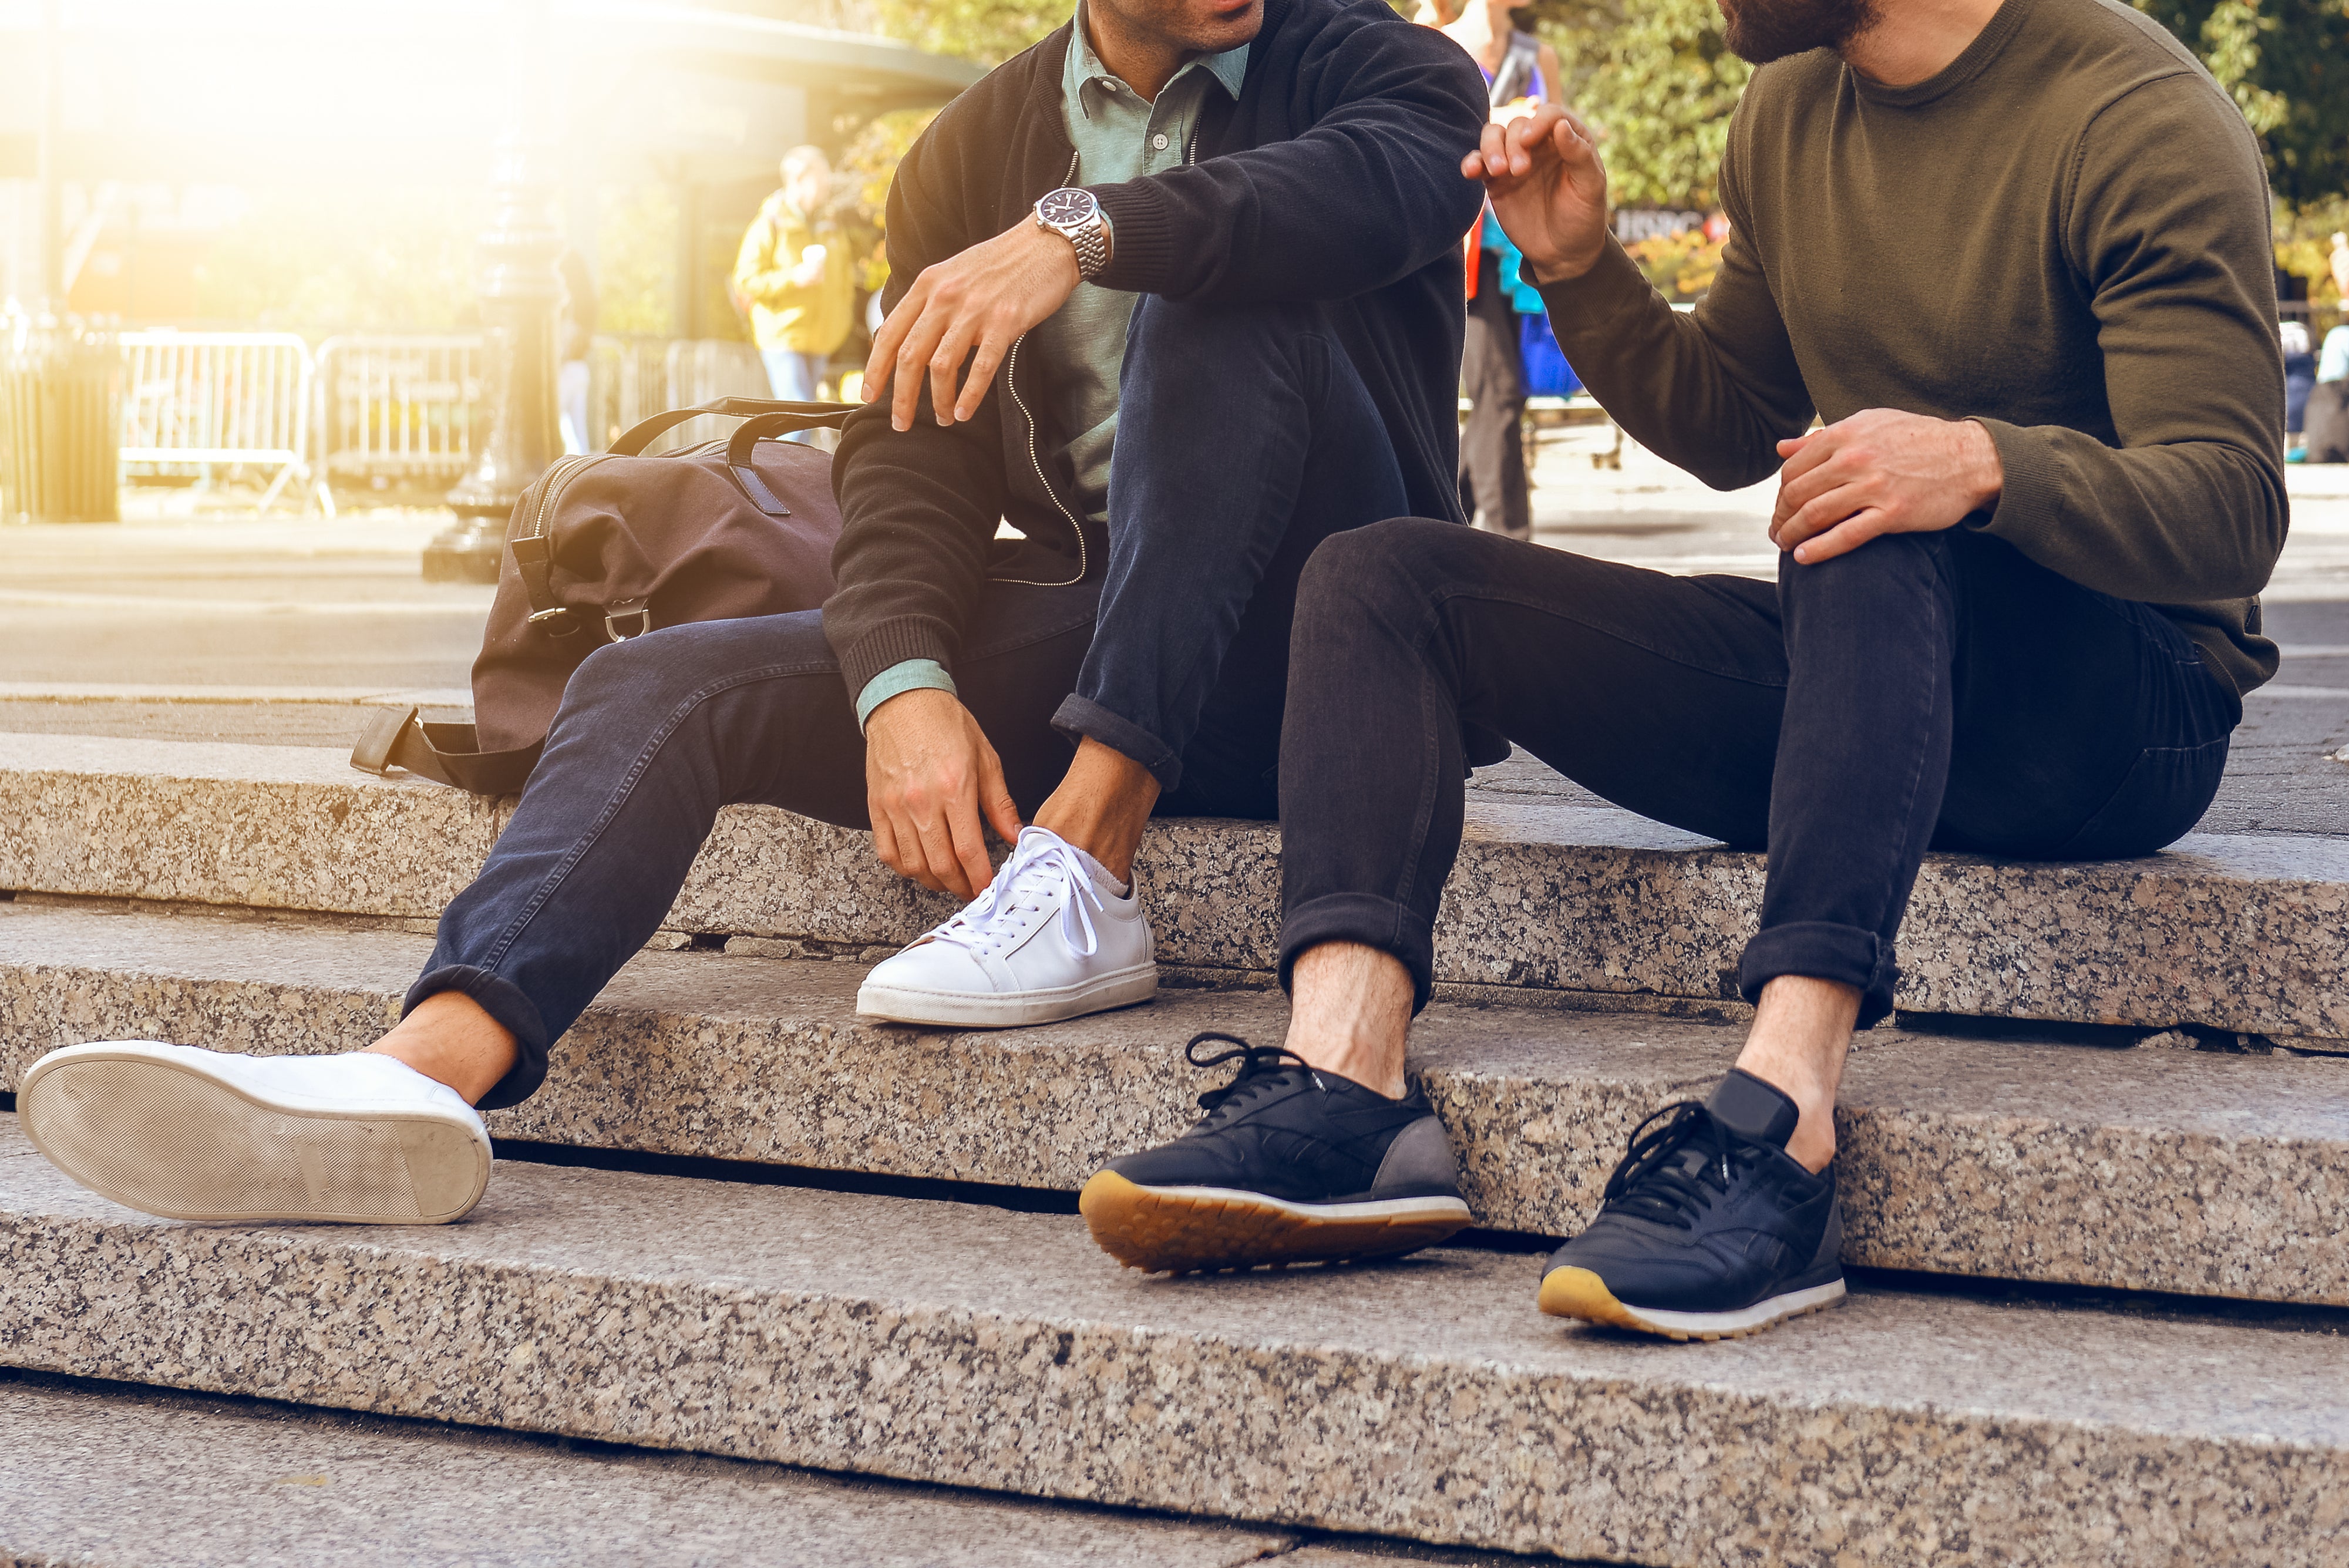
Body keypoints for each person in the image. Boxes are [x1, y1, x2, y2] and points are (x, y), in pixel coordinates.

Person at [14, 0, 1486, 1230]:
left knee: (1213, 282)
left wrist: (1085, 231)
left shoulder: (1386, 69)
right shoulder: (969, 146)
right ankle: (419, 1071)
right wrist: (900, 683)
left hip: (1338, 652)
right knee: (663, 682)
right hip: (1107, 624)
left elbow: (1356, 194)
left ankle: (1087, 858)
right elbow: (910, 454)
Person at [1085, 0, 2286, 1331]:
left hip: (2124, 705)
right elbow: (1730, 419)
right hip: (1875, 668)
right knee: (1381, 579)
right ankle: (1345, 1089)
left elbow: (2230, 502)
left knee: (1864, 506)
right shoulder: (1785, 110)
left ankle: (1782, 1123)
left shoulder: (2131, 112)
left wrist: (1977, 461)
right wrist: (1583, 265)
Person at [1435, 0, 1561, 541]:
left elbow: (1564, 140)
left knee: (1504, 394)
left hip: (1519, 254)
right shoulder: (1434, 40)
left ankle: (1442, 514)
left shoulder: (1541, 56)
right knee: (1500, 391)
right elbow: (1417, 141)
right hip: (1460, 254)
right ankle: (1514, 540)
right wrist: (1496, 122)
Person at [735, 146, 857, 405]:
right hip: (783, 336)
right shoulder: (769, 224)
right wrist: (794, 278)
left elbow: (846, 276)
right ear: (798, 179)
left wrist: (842, 316)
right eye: (821, 176)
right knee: (799, 414)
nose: (827, 183)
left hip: (822, 338)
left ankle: (781, 448)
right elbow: (745, 280)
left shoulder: (831, 224)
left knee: (805, 415)